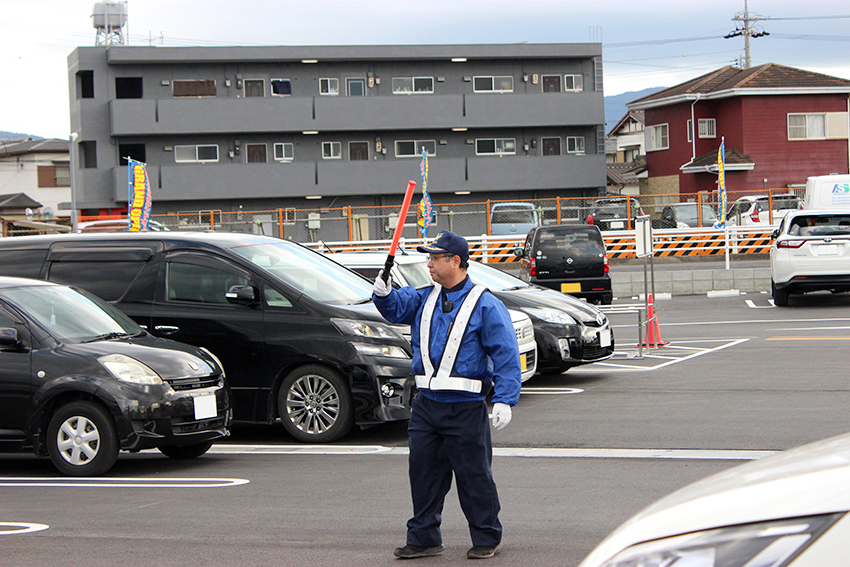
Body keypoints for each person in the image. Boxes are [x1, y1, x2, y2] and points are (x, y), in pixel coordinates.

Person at [372, 230, 521, 560]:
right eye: (429, 258)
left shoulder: (485, 303)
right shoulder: (424, 298)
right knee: (423, 474)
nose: (429, 264)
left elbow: (506, 353)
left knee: (474, 477)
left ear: (455, 261)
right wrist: (382, 294)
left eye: (435, 259)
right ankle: (423, 537)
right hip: (427, 405)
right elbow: (395, 308)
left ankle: (486, 537)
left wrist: (505, 399)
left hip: (466, 407)